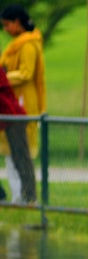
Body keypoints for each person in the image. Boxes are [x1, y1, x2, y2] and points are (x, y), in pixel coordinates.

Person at [0, 4, 43, 204]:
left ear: (18, 22)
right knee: (12, 154)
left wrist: (5, 77)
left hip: (19, 105)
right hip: (10, 105)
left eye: (7, 25)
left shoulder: (28, 45)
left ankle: (25, 197)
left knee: (20, 155)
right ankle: (18, 196)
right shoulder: (18, 44)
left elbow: (26, 73)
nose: (6, 30)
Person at [0, 67, 31, 202]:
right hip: (6, 120)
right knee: (18, 159)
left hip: (14, 119)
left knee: (21, 159)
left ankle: (30, 196)